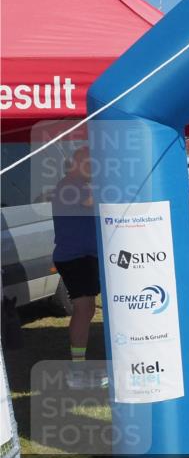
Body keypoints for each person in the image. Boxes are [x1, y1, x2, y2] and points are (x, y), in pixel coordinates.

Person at [51, 146, 104, 388]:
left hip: (86, 256)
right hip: (74, 257)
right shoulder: (68, 186)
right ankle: (77, 371)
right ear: (75, 164)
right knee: (83, 309)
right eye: (89, 162)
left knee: (88, 308)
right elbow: (93, 200)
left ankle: (80, 366)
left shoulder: (80, 185)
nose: (93, 167)